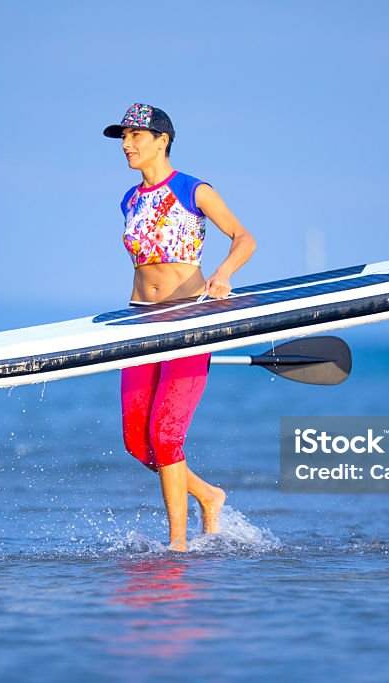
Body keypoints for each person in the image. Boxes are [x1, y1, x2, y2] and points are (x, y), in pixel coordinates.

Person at [103, 103, 256, 552]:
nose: (126, 145)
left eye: (135, 136)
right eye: (123, 138)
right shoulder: (129, 199)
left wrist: (224, 273)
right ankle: (208, 495)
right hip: (139, 320)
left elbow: (244, 238)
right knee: (137, 440)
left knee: (166, 435)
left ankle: (178, 546)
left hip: (189, 318)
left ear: (161, 140)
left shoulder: (194, 189)